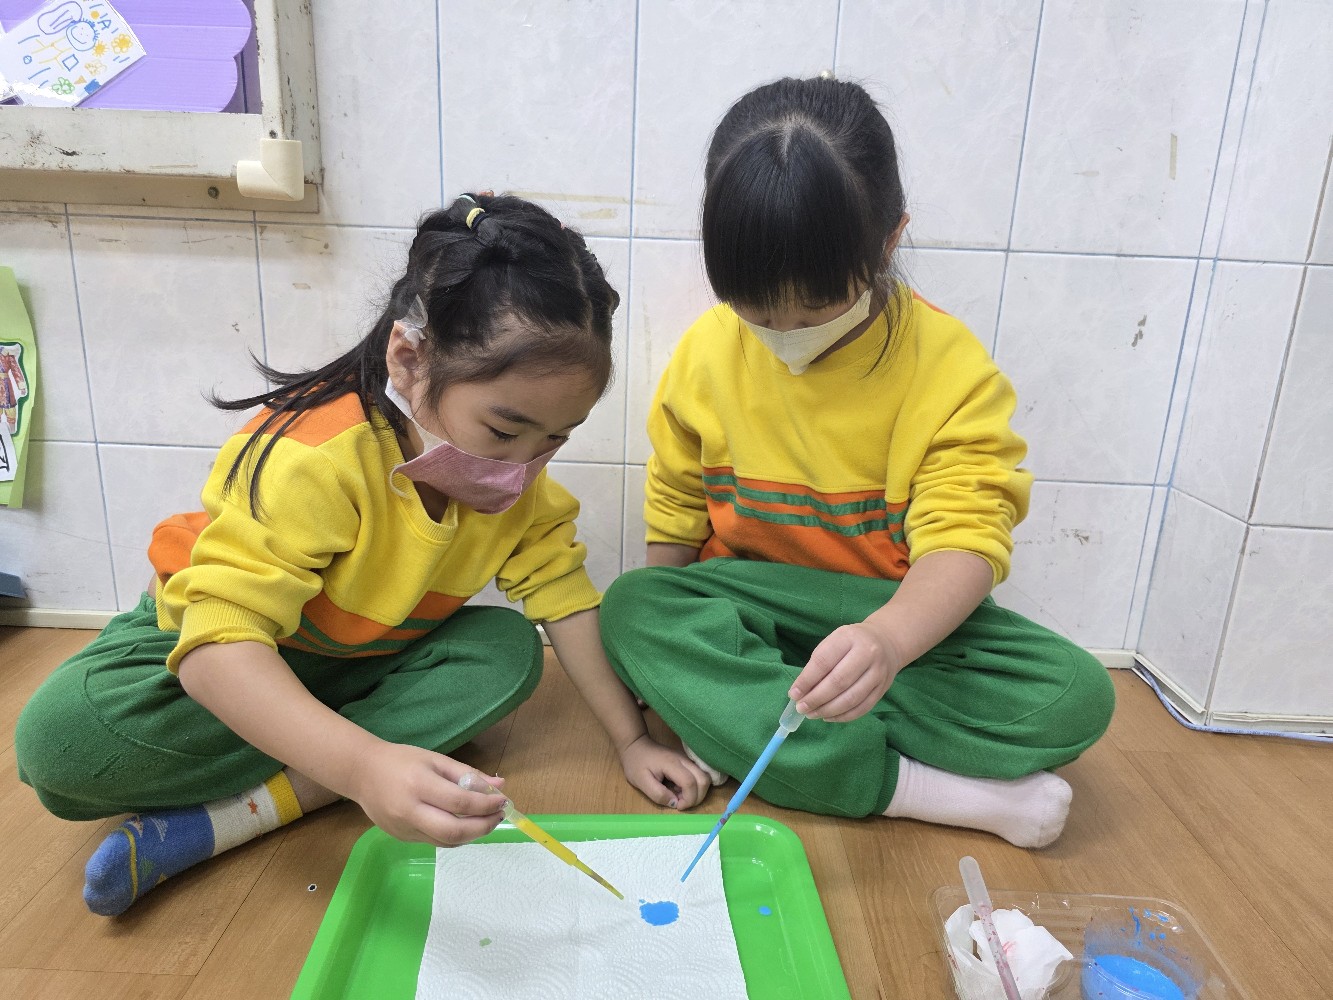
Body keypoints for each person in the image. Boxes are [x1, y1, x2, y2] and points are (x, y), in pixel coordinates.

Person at [16, 193, 710, 917]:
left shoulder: (519, 487)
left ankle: (246, 804)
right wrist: (362, 764)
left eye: (556, 438)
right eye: (505, 432)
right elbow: (217, 649)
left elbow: (562, 596)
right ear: (409, 360)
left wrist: (631, 740)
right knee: (59, 746)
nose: (525, 465)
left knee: (505, 653)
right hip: (211, 648)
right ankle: (296, 779)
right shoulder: (314, 458)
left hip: (357, 659)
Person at [599, 76, 1116, 849]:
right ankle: (916, 789)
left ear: (888, 242)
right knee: (634, 606)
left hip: (891, 618)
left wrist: (887, 641)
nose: (783, 333)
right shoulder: (704, 354)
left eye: (813, 309)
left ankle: (749, 727)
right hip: (752, 612)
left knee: (1072, 696)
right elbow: (675, 518)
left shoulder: (947, 367)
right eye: (754, 310)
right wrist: (656, 678)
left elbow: (965, 539)